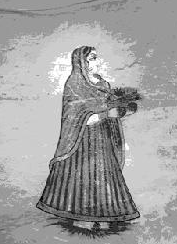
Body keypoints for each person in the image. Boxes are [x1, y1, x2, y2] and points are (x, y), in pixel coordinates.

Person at [36, 46, 140, 230]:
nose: (96, 61)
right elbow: (74, 116)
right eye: (92, 58)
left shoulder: (103, 84)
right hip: (80, 142)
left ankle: (105, 215)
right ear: (81, 62)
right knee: (82, 175)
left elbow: (109, 110)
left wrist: (121, 110)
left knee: (104, 175)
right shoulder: (75, 84)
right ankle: (81, 217)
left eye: (96, 57)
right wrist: (106, 114)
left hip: (102, 139)